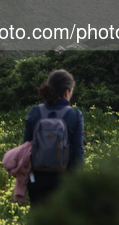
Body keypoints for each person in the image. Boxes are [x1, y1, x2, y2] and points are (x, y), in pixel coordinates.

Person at [23, 68, 84, 204]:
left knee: (39, 222)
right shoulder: (75, 115)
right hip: (64, 180)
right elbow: (78, 151)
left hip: (37, 179)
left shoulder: (34, 112)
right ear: (67, 92)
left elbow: (26, 147)